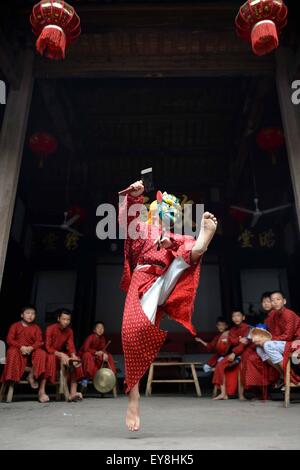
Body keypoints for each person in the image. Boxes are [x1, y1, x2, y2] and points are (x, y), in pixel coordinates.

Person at [119, 180, 218, 431]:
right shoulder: (141, 228)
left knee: (185, 251)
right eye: (166, 210)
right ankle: (134, 394)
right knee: (131, 332)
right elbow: (126, 224)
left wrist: (170, 244)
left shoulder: (173, 234)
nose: (169, 216)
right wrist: (134, 198)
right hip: (144, 280)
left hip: (166, 279)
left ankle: (201, 243)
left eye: (173, 214)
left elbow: (178, 246)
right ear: (154, 209)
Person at [240, 290, 300, 397]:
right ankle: (282, 374)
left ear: (284, 301)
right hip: (282, 342)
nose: (275, 302)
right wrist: (258, 339)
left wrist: (267, 341)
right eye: (272, 300)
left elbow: (287, 336)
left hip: (294, 342)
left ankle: (290, 376)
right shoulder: (273, 315)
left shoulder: (289, 314)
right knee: (259, 348)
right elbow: (266, 332)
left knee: (267, 345)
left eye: (278, 299)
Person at [0, 306, 48, 402]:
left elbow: (39, 341)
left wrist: (31, 348)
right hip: (18, 350)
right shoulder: (15, 326)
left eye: (33, 313)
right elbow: (10, 339)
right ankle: (11, 380)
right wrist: (21, 347)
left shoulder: (36, 328)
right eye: (28, 313)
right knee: (12, 351)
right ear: (22, 315)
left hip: (31, 352)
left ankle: (31, 375)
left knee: (42, 353)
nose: (30, 315)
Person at [45, 309, 83, 401]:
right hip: (50, 353)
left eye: (68, 320)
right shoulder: (50, 329)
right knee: (63, 359)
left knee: (75, 361)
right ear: (58, 319)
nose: (66, 322)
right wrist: (60, 354)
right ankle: (66, 392)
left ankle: (73, 393)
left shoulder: (69, 331)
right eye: (64, 319)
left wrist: (73, 355)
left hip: (61, 353)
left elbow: (71, 345)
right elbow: (47, 347)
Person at [212, 310, 250, 400]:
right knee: (220, 365)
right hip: (235, 354)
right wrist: (239, 339)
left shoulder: (248, 328)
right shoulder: (232, 330)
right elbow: (232, 341)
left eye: (238, 316)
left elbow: (244, 343)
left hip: (244, 352)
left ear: (243, 317)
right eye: (234, 316)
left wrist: (234, 352)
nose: (236, 318)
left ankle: (241, 395)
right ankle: (223, 393)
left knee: (242, 367)